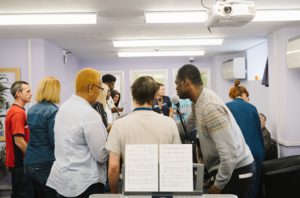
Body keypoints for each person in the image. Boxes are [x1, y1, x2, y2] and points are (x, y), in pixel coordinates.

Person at [175, 64, 255, 198]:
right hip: (228, 169)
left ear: (187, 82)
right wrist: (164, 125)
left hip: (237, 170)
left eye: (177, 84)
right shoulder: (197, 101)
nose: (176, 88)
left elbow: (229, 155)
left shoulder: (210, 108)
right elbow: (185, 126)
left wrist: (217, 186)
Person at [106, 76, 181, 193]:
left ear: (133, 94)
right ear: (155, 96)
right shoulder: (170, 123)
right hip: (162, 189)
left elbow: (113, 167)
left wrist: (114, 193)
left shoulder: (118, 125)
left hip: (133, 190)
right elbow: (176, 162)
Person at [46, 68, 108, 198]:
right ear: (91, 88)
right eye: (100, 88)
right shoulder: (90, 114)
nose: (99, 93)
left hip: (63, 180)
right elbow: (101, 155)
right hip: (85, 183)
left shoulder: (64, 108)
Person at [226, 80, 265, 198]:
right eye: (248, 97)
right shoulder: (252, 108)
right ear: (243, 95)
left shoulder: (227, 107)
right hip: (255, 152)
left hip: (238, 154)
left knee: (239, 187)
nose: (248, 99)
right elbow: (258, 131)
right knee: (253, 186)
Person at [24, 77, 60, 198]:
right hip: (45, 161)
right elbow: (54, 140)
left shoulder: (32, 109)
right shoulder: (53, 111)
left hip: (29, 161)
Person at [5, 80, 34, 198]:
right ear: (18, 93)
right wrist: (32, 157)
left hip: (17, 162)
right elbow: (19, 141)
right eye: (28, 91)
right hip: (19, 163)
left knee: (18, 193)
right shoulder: (18, 113)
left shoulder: (17, 110)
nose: (31, 94)